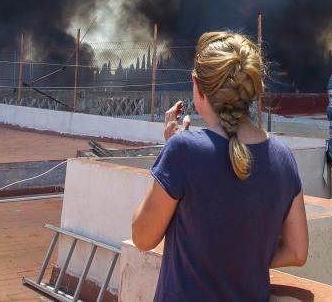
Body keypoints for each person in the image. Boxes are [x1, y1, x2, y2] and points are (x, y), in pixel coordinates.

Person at [132, 31, 308, 301]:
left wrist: (169, 151)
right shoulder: (283, 158)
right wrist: (242, 260)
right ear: (250, 90)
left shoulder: (183, 151)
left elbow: (142, 237)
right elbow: (297, 251)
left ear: (197, 86)